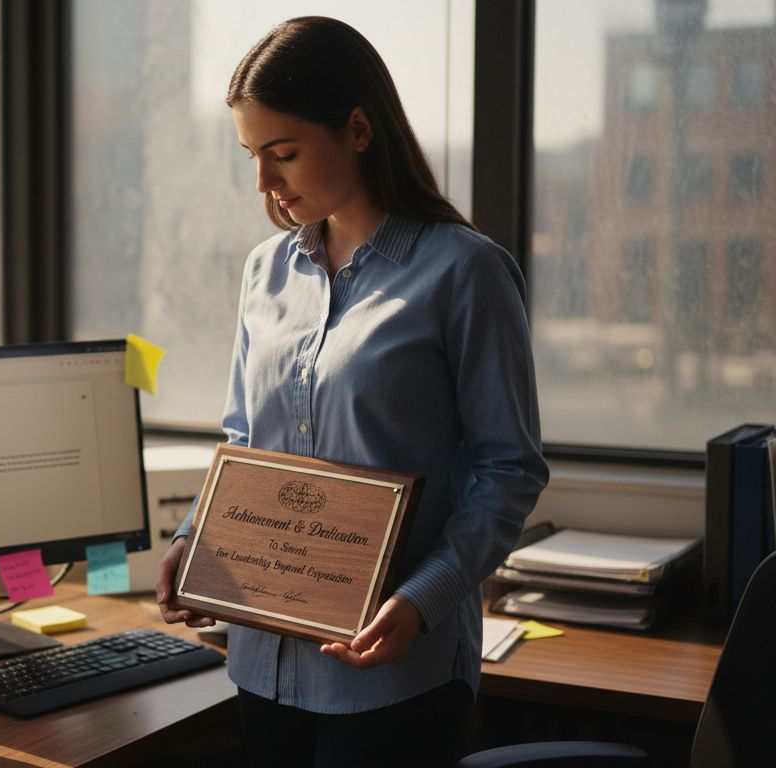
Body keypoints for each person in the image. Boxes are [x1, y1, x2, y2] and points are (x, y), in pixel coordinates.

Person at [154, 17, 549, 768]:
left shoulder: (466, 273)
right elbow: (246, 442)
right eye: (252, 156)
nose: (263, 183)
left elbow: (509, 472)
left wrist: (424, 598)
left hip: (394, 671)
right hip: (263, 661)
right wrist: (191, 542)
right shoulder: (265, 272)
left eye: (284, 154)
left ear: (359, 129)